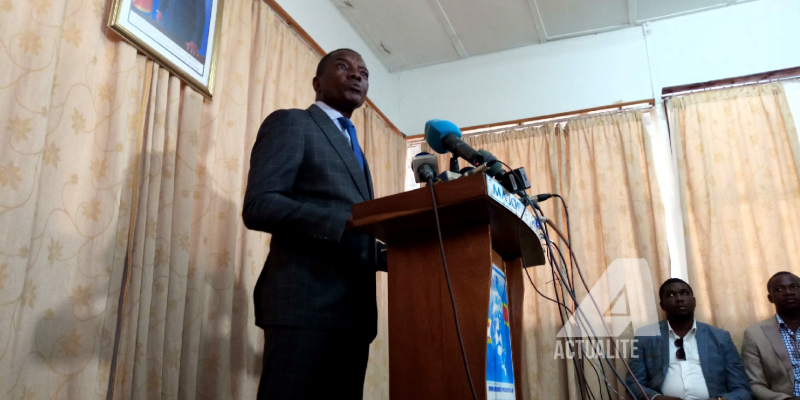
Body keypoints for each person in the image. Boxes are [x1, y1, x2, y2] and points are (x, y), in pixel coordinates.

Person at [243, 48, 387, 399]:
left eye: (364, 73)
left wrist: (397, 254)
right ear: (317, 82)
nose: (357, 75)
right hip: (304, 306)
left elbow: (357, 229)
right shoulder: (292, 122)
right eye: (344, 66)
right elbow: (260, 205)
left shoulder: (355, 146)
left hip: (353, 318)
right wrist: (344, 220)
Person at [627, 278, 752, 400]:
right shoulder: (645, 336)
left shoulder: (720, 337)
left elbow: (742, 389)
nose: (679, 299)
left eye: (684, 293)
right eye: (670, 295)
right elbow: (633, 383)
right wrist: (656, 398)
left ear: (694, 301)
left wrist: (720, 399)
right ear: (662, 305)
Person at [742, 271, 800, 400]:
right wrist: (784, 399)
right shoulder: (755, 334)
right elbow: (754, 384)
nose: (788, 292)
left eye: (794, 287)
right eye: (779, 289)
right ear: (770, 298)